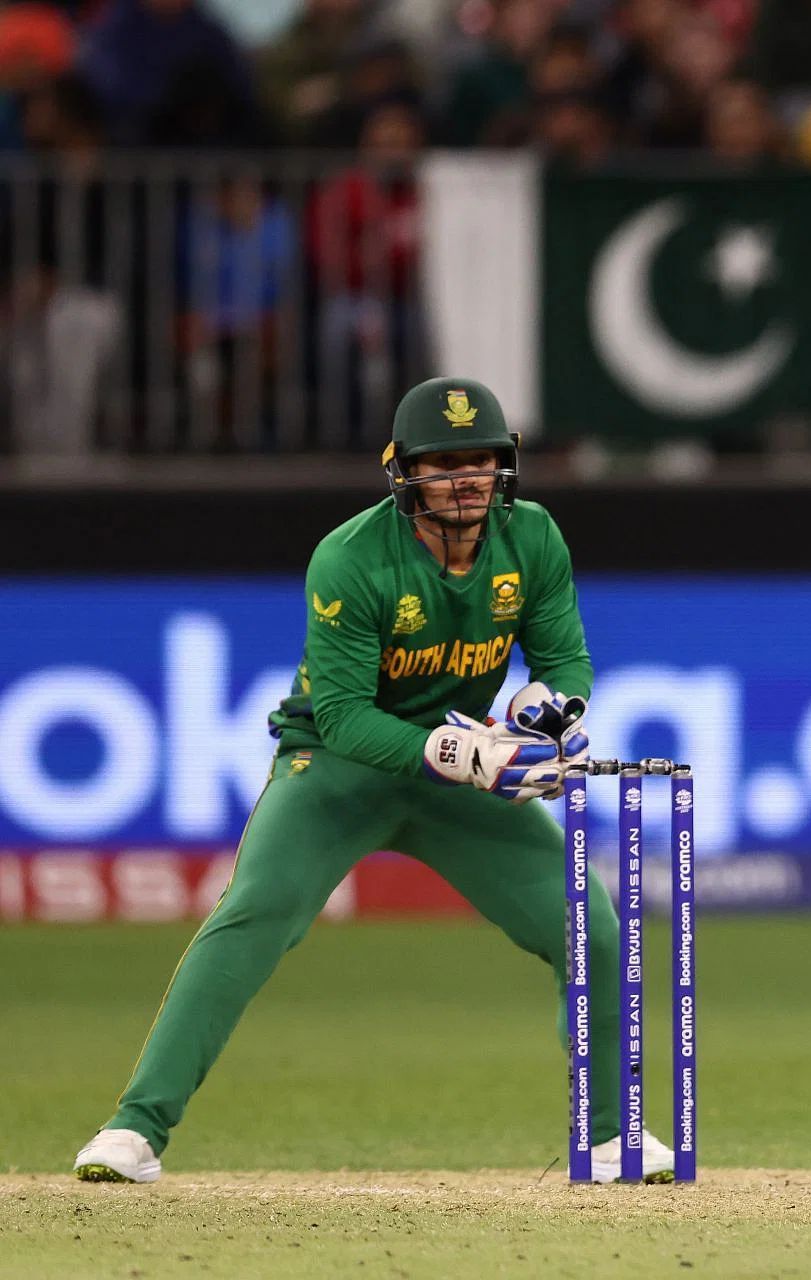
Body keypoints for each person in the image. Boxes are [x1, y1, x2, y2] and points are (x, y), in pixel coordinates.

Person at [72, 377, 673, 1184]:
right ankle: (134, 1131)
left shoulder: (532, 538)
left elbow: (563, 658)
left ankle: (608, 1140)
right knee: (254, 917)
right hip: (338, 768)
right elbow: (351, 717)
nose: (466, 482)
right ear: (403, 473)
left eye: (482, 463)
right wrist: (469, 758)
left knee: (592, 926)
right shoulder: (350, 558)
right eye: (443, 465)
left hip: (457, 771)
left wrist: (545, 711)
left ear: (506, 468)